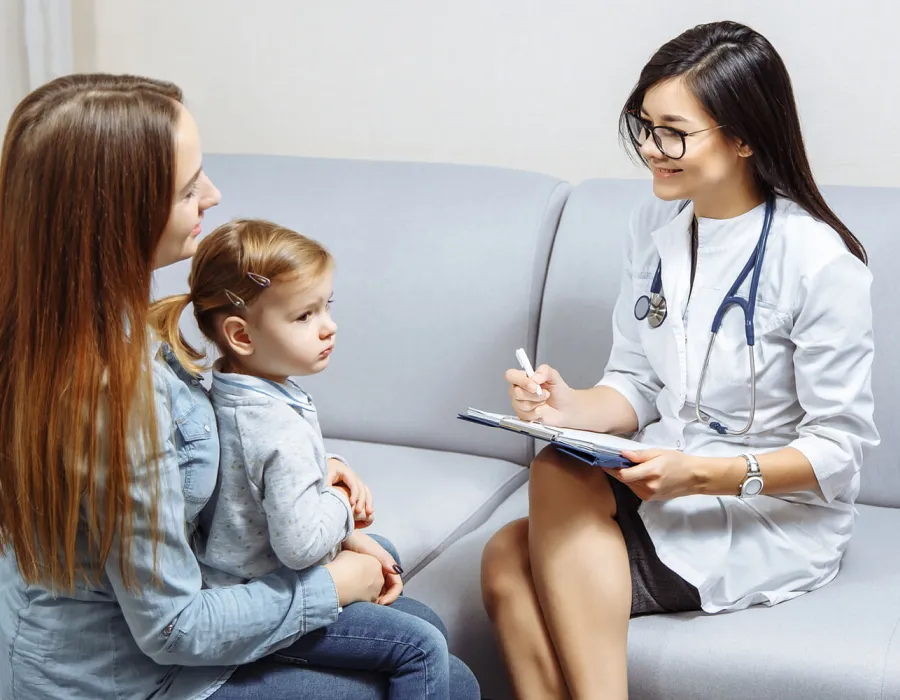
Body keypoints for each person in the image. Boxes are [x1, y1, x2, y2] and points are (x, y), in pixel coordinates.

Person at [0, 74, 478, 700]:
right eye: (188, 188)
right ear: (117, 214)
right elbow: (172, 628)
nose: (214, 195)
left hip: (106, 638)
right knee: (447, 674)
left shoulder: (83, 330)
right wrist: (334, 585)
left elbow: (194, 472)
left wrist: (312, 479)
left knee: (417, 622)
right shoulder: (108, 397)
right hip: (137, 679)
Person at [480, 20, 879, 700]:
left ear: (744, 136)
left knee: (525, 528)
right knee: (504, 549)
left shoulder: (817, 261)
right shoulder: (656, 228)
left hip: (765, 511)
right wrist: (566, 406)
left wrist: (704, 475)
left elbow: (838, 451)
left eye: (671, 131)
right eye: (643, 126)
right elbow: (635, 382)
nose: (648, 149)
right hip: (664, 474)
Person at [152, 217, 468, 700]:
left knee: (413, 603)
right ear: (241, 335)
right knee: (424, 645)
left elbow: (251, 477)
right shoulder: (275, 425)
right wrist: (340, 502)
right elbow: (299, 547)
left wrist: (323, 467)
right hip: (266, 595)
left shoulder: (232, 390)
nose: (329, 326)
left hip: (234, 575)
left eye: (327, 307)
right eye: (304, 316)